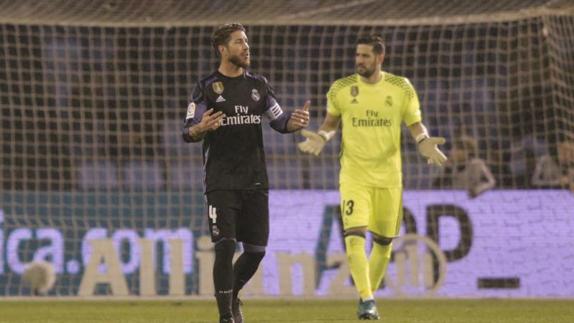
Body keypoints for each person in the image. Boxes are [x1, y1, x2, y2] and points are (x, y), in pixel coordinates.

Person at [298, 34, 446, 320]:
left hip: (390, 177)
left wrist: (424, 141)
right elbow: (330, 123)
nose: (359, 61)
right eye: (357, 55)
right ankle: (366, 299)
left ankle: (368, 299)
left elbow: (415, 125)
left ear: (380, 57)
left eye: (365, 56)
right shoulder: (341, 88)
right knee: (354, 235)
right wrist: (322, 137)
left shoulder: (401, 87)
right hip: (354, 175)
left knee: (383, 244)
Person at [182, 23, 310, 323]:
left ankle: (232, 293)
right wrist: (201, 128)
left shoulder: (259, 86)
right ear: (223, 49)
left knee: (256, 251)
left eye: (247, 42)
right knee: (225, 246)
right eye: (239, 42)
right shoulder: (206, 87)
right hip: (221, 181)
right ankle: (226, 316)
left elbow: (280, 123)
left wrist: (296, 121)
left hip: (255, 180)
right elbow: (188, 131)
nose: (246, 47)